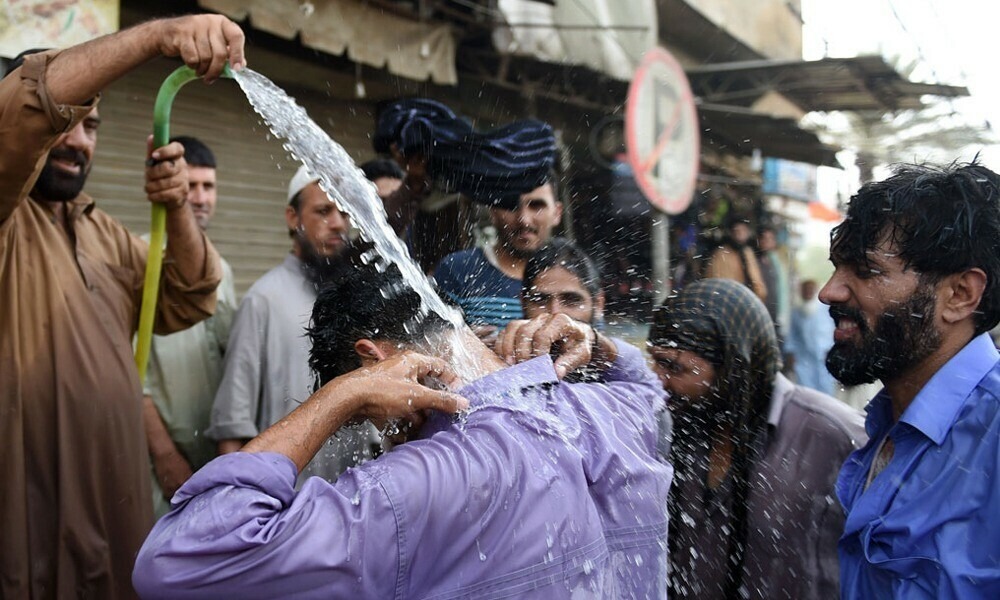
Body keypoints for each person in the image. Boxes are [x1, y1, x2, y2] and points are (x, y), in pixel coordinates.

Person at [133, 263, 671, 599]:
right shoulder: (610, 412)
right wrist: (599, 344)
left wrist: (341, 396)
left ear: (374, 358)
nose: (388, 439)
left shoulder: (411, 489)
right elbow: (652, 393)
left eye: (373, 418)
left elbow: (177, 560)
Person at [0, 15, 244, 599]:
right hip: (26, 517)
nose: (79, 140)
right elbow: (29, 104)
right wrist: (158, 37)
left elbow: (189, 297)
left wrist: (178, 206)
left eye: (93, 126)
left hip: (114, 514)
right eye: (68, 122)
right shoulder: (7, 218)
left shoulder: (102, 231)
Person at [819, 161, 1000, 598]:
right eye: (836, 267)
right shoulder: (888, 424)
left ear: (959, 295)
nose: (830, 291)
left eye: (864, 271)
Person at [647, 278, 866, 599]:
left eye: (672, 366)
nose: (657, 379)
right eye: (654, 360)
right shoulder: (677, 428)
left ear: (732, 367)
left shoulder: (834, 436)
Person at [207, 165, 377, 483]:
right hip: (287, 510)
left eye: (344, 211)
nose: (338, 223)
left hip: (355, 504)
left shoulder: (359, 301)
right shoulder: (262, 301)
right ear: (292, 217)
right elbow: (232, 428)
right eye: (323, 211)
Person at [142, 136, 238, 517]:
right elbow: (129, 375)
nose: (199, 197)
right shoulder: (142, 256)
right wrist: (164, 453)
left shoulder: (222, 269)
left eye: (208, 187)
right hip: (157, 462)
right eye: (191, 185)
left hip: (210, 457)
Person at [434, 176, 563, 330]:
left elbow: (594, 343)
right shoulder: (457, 270)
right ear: (493, 211)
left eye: (536, 206)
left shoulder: (575, 273)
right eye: (511, 205)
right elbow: (431, 341)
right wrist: (464, 344)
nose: (524, 220)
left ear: (557, 213)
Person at [521, 236, 605, 325]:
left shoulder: (612, 339)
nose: (555, 314)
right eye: (540, 300)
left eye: (571, 300)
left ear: (598, 305)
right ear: (523, 305)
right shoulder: (506, 337)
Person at [784, 279, 837, 396]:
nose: (808, 292)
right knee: (806, 392)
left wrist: (834, 349)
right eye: (805, 290)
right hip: (804, 359)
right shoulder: (796, 312)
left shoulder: (826, 309)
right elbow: (792, 335)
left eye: (810, 290)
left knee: (826, 391)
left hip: (824, 356)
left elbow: (835, 329)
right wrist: (791, 353)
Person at [703, 215, 768, 301]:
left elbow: (757, 282)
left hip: (746, 301)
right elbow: (716, 284)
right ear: (731, 233)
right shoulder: (721, 254)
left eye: (743, 231)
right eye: (737, 231)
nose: (740, 235)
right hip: (728, 301)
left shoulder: (748, 252)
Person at [755, 225, 789, 338]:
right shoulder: (754, 262)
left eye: (770, 239)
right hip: (760, 315)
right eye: (764, 239)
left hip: (777, 315)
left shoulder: (779, 263)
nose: (766, 242)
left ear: (775, 241)